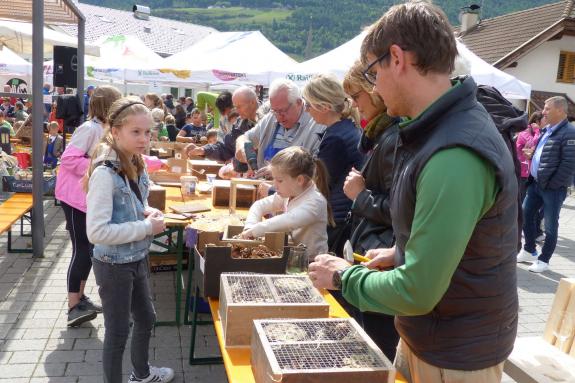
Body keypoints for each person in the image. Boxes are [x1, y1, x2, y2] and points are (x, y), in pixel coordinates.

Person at [308, 3, 519, 382]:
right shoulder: (434, 130)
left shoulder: (454, 152)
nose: (374, 86)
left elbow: (418, 290)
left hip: (455, 354)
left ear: (397, 58)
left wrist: (343, 277)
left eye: (374, 73)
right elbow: (461, 240)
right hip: (435, 338)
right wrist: (401, 250)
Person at [85, 98, 174, 383]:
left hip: (136, 257)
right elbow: (96, 233)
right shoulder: (104, 173)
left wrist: (147, 210)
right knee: (117, 332)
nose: (144, 139)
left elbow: (138, 200)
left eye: (148, 132)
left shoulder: (135, 162)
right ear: (115, 130)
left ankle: (142, 374)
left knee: (146, 318)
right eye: (136, 132)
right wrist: (146, 227)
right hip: (113, 264)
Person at [341, 60, 400, 360]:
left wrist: (359, 195)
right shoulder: (382, 134)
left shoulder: (391, 138)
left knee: (377, 347)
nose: (354, 105)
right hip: (375, 252)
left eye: (356, 97)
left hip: (382, 257)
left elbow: (398, 210)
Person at [55, 85, 122, 326]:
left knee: (88, 250)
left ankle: (80, 298)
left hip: (85, 199)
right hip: (74, 199)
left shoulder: (101, 129)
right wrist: (102, 166)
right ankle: (74, 306)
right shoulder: (89, 129)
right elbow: (69, 159)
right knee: (82, 250)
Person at [302, 74, 364, 254]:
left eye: (308, 105)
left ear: (324, 106)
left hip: (336, 220)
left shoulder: (336, 138)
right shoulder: (345, 128)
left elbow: (319, 185)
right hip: (342, 216)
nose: (306, 110)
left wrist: (277, 191)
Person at [517, 96, 575, 273]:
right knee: (525, 216)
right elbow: (545, 154)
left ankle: (544, 259)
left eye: (547, 109)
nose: (543, 112)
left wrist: (551, 184)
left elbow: (569, 164)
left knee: (550, 225)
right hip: (535, 184)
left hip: (552, 188)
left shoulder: (569, 133)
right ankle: (529, 250)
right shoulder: (547, 130)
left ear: (560, 110)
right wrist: (532, 156)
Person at [240, 146, 331, 256]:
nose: (275, 185)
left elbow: (288, 221)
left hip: (312, 262)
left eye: (279, 180)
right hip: (293, 256)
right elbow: (259, 205)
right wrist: (249, 227)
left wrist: (255, 231)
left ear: (299, 180)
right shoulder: (290, 193)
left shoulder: (315, 202)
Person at [235, 79, 325, 177]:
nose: (279, 116)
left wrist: (279, 171)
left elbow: (316, 170)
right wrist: (241, 146)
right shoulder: (271, 117)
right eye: (275, 111)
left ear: (298, 103)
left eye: (283, 110)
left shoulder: (316, 123)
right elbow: (245, 137)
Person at [187, 87, 260, 162]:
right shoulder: (234, 122)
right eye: (236, 107)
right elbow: (224, 147)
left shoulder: (265, 119)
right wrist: (203, 150)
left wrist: (235, 161)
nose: (238, 111)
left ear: (252, 102)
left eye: (239, 107)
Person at [516, 111, 542, 202]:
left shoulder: (539, 133)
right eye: (541, 121)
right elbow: (533, 144)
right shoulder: (524, 133)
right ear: (535, 122)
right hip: (523, 171)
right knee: (521, 198)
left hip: (533, 173)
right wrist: (537, 130)